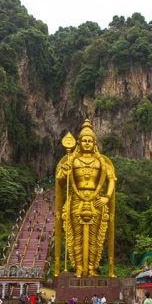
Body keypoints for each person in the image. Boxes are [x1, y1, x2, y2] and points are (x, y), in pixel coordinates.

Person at [54, 118, 116, 277]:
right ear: (79, 143)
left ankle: (92, 268)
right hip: (76, 199)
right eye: (84, 140)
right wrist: (65, 170)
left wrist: (107, 198)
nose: (87, 143)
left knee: (95, 237)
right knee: (77, 236)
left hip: (96, 200)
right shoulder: (72, 160)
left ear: (94, 143)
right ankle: (79, 268)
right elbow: (60, 181)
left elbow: (111, 180)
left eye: (90, 140)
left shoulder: (102, 162)